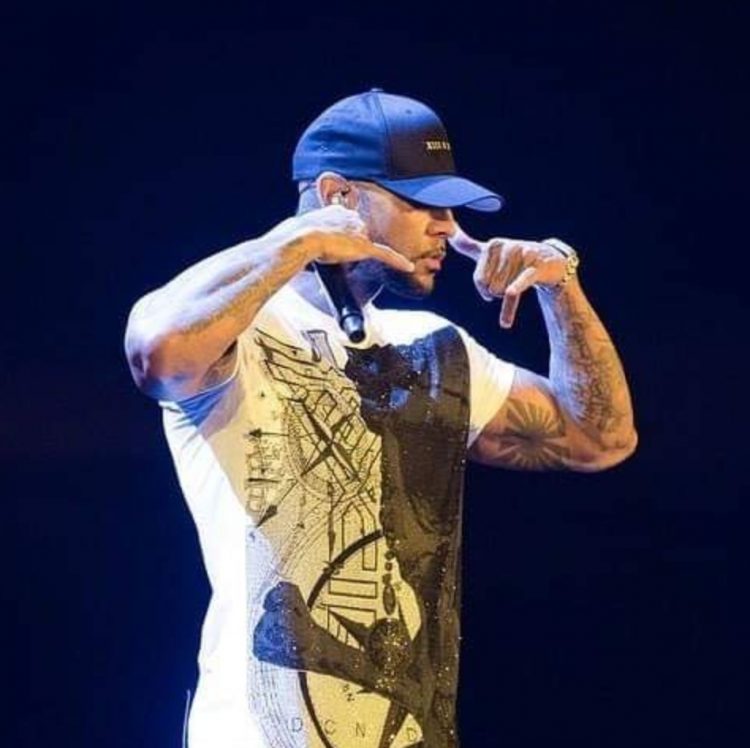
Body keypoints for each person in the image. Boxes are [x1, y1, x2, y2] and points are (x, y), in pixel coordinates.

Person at [124, 89, 637, 748]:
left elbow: (600, 440)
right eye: (422, 203)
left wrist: (559, 286)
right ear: (338, 195)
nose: (447, 227)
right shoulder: (239, 333)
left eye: (449, 208)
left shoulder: (435, 347)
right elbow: (156, 349)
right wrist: (295, 241)